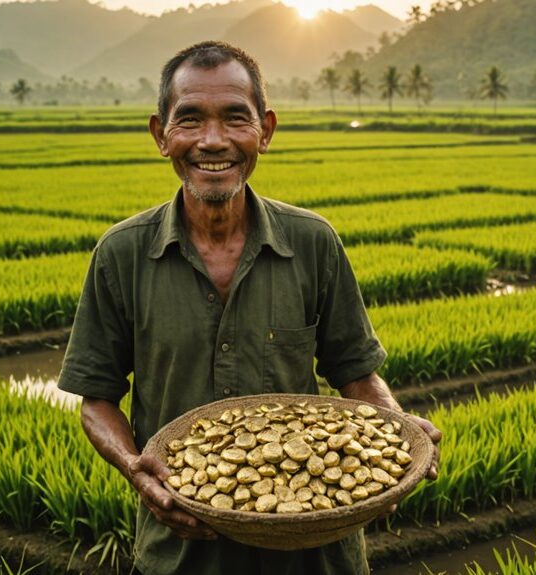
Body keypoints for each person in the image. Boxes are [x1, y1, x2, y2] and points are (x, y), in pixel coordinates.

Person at [58, 41, 442, 575]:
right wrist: (134, 467)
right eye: (189, 120)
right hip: (183, 554)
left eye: (235, 119)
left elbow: (357, 375)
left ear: (265, 130)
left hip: (316, 552)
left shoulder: (313, 242)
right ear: (160, 135)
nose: (212, 141)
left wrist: (395, 432)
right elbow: (96, 399)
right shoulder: (121, 254)